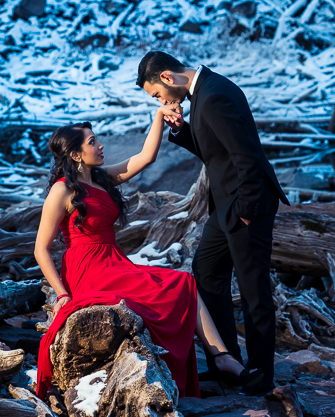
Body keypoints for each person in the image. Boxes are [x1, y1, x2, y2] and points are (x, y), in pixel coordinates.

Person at [33, 118, 263, 400]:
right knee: (167, 289)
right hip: (88, 268)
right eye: (92, 141)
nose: (101, 144)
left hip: (114, 261)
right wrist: (62, 295)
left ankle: (221, 356)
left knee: (182, 282)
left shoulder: (101, 178)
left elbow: (146, 157)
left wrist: (158, 117)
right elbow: (41, 249)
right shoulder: (63, 190)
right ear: (75, 154)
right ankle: (216, 358)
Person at [136, 51, 289, 395]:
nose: (161, 101)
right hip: (226, 207)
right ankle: (228, 363)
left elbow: (246, 155)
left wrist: (246, 210)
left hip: (246, 205)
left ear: (167, 77)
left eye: (157, 95)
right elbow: (216, 151)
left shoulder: (215, 94)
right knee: (205, 272)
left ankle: (261, 376)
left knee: (253, 291)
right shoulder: (205, 91)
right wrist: (183, 130)